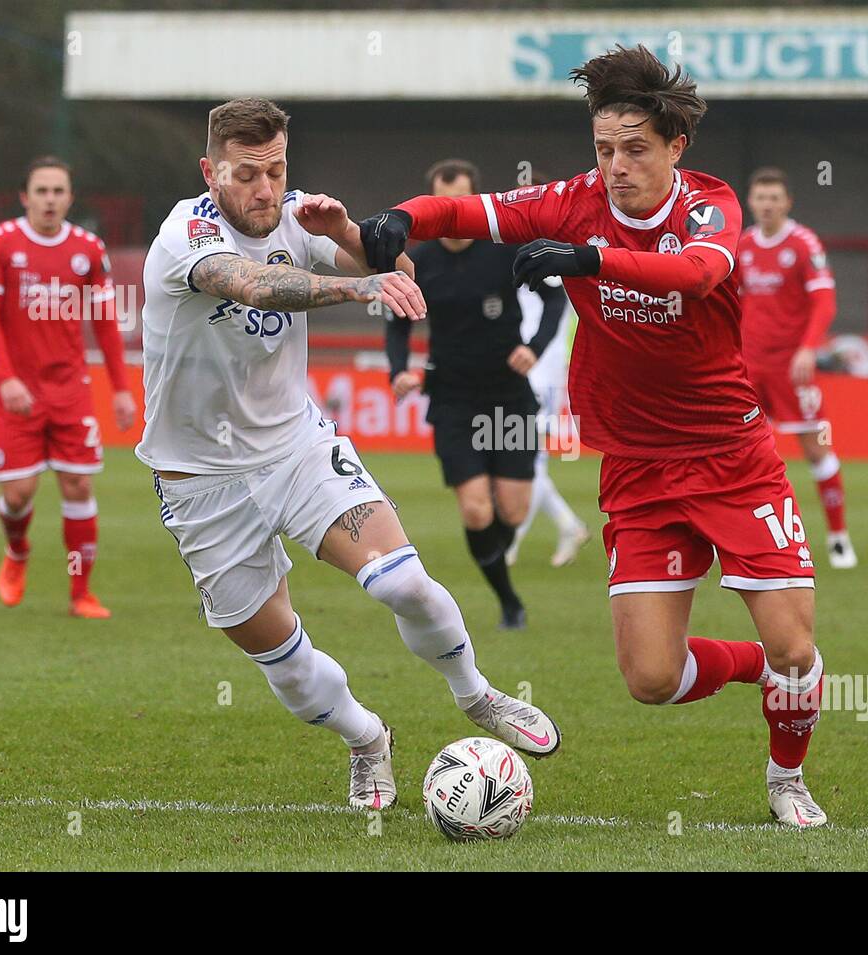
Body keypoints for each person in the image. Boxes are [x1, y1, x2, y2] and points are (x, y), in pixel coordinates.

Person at [360, 47, 830, 827]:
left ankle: (787, 778)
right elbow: (470, 214)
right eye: (604, 149)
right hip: (639, 470)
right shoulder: (575, 199)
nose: (616, 167)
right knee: (651, 679)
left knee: (795, 646)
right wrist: (401, 216)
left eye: (635, 149)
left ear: (676, 148)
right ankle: (761, 671)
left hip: (732, 459)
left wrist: (589, 259)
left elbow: (698, 275)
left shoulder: (708, 208)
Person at [137, 98, 560, 811]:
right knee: (285, 666)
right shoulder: (187, 235)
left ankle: (477, 694)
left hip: (297, 450)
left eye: (275, 170)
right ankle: (367, 738)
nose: (265, 190)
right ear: (211, 172)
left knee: (401, 583)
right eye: (246, 174)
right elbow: (253, 284)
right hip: (199, 482)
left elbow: (397, 268)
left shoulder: (297, 214)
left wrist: (348, 236)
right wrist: (359, 283)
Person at [387, 159, 566, 628]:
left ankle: (497, 571)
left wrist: (534, 347)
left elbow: (555, 298)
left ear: (473, 202)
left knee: (512, 508)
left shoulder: (505, 250)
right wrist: (398, 371)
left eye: (459, 204)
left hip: (508, 397)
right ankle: (508, 600)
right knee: (475, 507)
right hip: (452, 398)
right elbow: (396, 323)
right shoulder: (418, 262)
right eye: (441, 206)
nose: (450, 214)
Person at [0, 155, 135, 618]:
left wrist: (121, 389)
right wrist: (6, 380)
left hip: (70, 390)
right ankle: (18, 550)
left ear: (70, 197)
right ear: (25, 197)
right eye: (41, 191)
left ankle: (81, 593)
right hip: (16, 391)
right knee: (19, 493)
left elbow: (105, 323)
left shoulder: (87, 248)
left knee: (78, 485)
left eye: (58, 191)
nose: (49, 200)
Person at [740, 167, 855, 568]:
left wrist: (808, 349)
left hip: (792, 368)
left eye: (774, 198)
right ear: (751, 201)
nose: (767, 204)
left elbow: (825, 301)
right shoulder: (743, 245)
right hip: (747, 367)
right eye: (760, 197)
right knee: (738, 451)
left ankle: (838, 536)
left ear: (787, 202)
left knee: (814, 448)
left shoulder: (804, 244)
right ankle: (745, 539)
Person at [507, 174, 593, 570]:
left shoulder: (552, 257)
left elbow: (555, 313)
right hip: (527, 367)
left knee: (523, 457)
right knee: (521, 455)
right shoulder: (523, 251)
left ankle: (512, 541)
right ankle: (565, 525)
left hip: (540, 370)